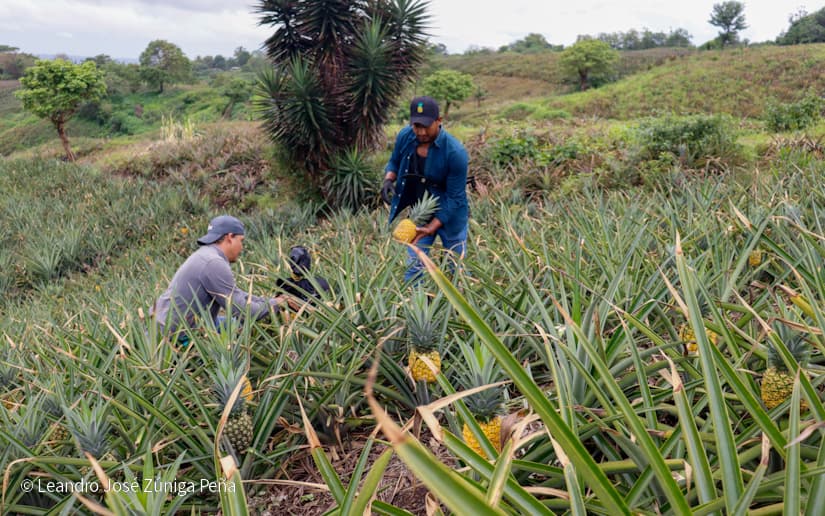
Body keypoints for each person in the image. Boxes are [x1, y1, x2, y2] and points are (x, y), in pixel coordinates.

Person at [151, 215, 295, 342]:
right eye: (241, 240)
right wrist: (277, 303)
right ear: (229, 237)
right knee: (240, 328)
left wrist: (270, 301)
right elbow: (244, 312)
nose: (242, 247)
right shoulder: (213, 263)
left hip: (162, 324)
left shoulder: (206, 254)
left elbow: (236, 294)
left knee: (233, 324)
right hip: (175, 336)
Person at [381, 96, 469, 282]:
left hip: (451, 216)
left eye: (426, 126)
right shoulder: (406, 136)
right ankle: (417, 306)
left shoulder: (455, 152)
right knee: (414, 267)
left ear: (439, 121)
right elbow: (394, 161)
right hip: (420, 212)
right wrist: (389, 179)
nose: (420, 132)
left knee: (457, 267)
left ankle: (461, 306)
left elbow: (455, 197)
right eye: (416, 126)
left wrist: (431, 227)